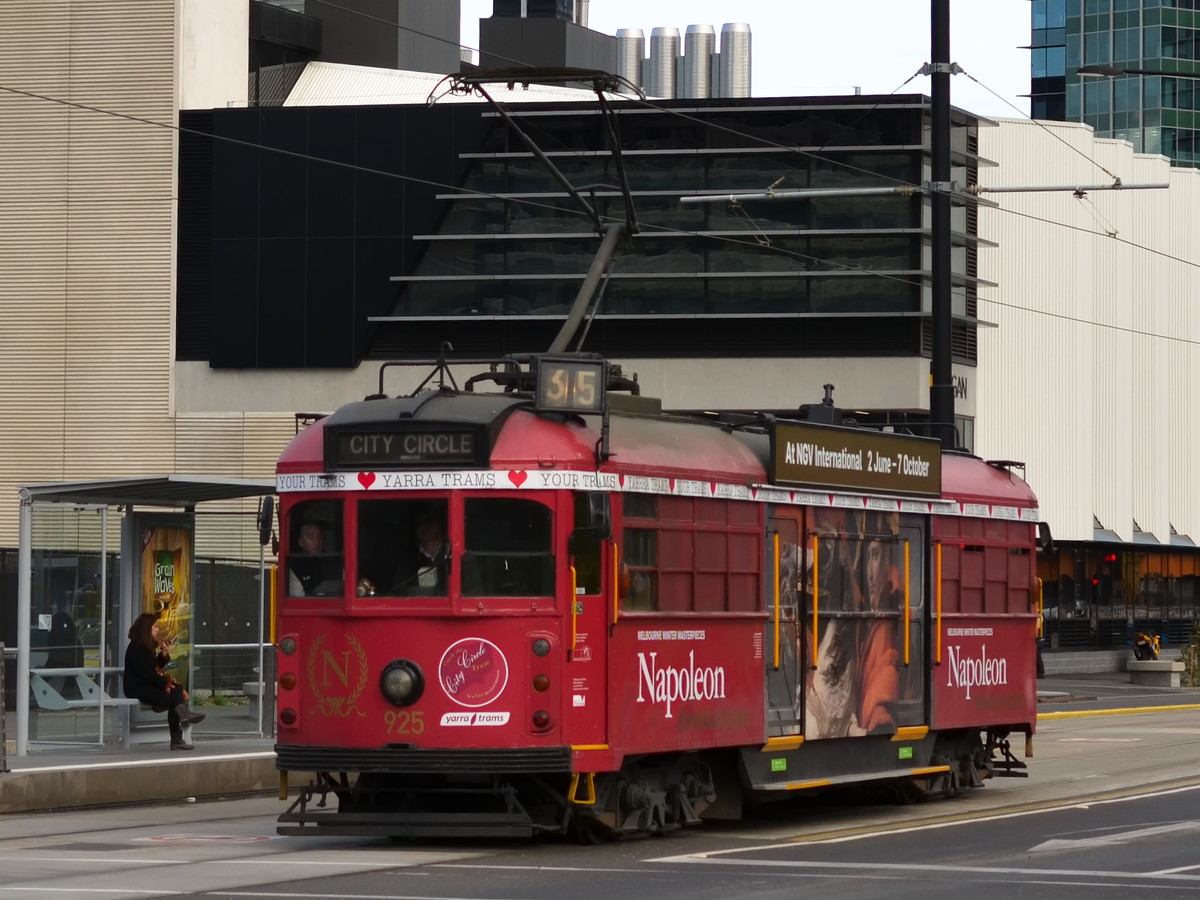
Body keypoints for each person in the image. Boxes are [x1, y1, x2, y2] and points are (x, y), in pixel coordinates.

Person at [123, 612, 205, 751]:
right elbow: (145, 673)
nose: (157, 629)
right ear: (146, 628)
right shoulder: (137, 647)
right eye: (155, 626)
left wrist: (164, 654)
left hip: (147, 685)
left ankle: (182, 720)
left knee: (177, 689)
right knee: (174, 699)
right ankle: (179, 730)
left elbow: (154, 667)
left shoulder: (147, 646)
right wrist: (164, 684)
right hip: (137, 687)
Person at [358, 509, 450, 596]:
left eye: (429, 522)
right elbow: (398, 591)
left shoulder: (451, 552)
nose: (424, 527)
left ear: (439, 524)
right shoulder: (409, 558)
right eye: (419, 523)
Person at [288, 520, 342, 596]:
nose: (316, 542)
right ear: (301, 542)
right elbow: (299, 598)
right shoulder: (294, 567)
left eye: (319, 537)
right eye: (310, 537)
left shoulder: (333, 562)